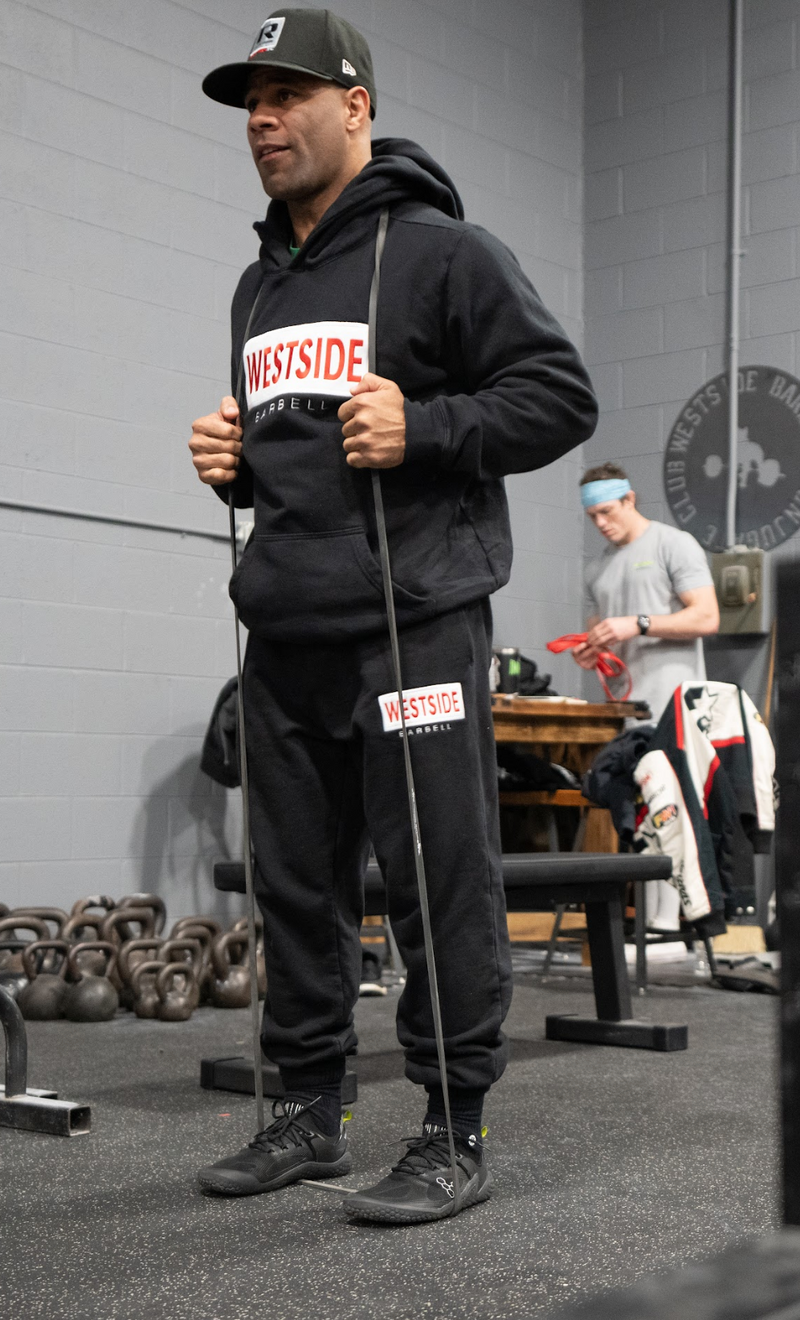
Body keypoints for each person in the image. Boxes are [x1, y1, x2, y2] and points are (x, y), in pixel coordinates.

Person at [189, 8, 597, 1224]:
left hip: (411, 621)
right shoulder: (258, 286)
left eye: (287, 96)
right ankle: (309, 1110)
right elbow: (301, 457)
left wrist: (427, 426)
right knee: (294, 888)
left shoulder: (443, 253)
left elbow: (557, 396)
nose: (262, 121)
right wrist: (234, 468)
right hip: (285, 631)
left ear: (354, 106)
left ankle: (452, 1128)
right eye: (250, 104)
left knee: (435, 881)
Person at [573, 461, 719, 930]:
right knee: (638, 813)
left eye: (608, 511)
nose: (601, 523)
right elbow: (602, 635)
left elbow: (707, 617)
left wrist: (637, 623)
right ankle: (652, 928)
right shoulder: (596, 568)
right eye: (592, 516)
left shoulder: (673, 544)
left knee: (670, 809)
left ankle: (669, 927)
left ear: (630, 499)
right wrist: (591, 650)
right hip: (627, 713)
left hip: (673, 706)